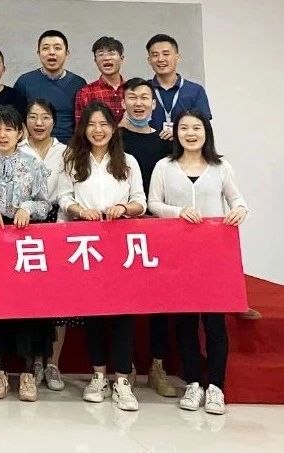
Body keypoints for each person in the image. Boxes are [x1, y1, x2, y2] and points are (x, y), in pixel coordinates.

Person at [148, 110, 248, 416]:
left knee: (215, 324)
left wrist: (240, 210)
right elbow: (153, 203)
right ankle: (193, 382)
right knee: (186, 322)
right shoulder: (164, 166)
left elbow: (238, 200)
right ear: (176, 133)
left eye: (196, 128)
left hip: (213, 256)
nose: (190, 134)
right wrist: (177, 212)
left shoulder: (221, 167)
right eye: (184, 128)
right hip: (178, 255)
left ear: (206, 132)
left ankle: (216, 386)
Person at [55, 101, 146, 412]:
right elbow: (63, 197)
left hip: (120, 248)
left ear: (113, 128)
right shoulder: (72, 160)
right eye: (92, 124)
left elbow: (140, 202)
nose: (98, 130)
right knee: (93, 313)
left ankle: (122, 381)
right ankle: (97, 376)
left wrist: (124, 208)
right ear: (83, 128)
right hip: (87, 246)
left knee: (122, 314)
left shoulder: (128, 162)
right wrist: (79, 210)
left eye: (104, 124)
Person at [0, 105, 53, 402]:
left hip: (24, 244)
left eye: (9, 129)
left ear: (20, 133)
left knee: (26, 309)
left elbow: (45, 203)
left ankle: (28, 374)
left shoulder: (33, 164)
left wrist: (27, 208)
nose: (2, 134)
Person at [119, 77, 178, 398]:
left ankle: (157, 366)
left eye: (145, 98)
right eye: (133, 97)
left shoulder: (165, 142)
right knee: (125, 300)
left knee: (160, 300)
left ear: (154, 104)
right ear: (123, 103)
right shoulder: (112, 138)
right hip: (121, 231)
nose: (139, 103)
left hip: (157, 230)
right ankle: (125, 366)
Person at [19, 98, 71, 390]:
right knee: (31, 299)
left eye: (45, 117)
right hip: (24, 226)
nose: (39, 123)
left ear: (54, 121)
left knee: (59, 300)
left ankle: (53, 364)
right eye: (33, 117)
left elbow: (68, 193)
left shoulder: (66, 153)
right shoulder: (17, 149)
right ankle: (34, 361)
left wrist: (62, 229)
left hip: (57, 225)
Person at [13, 30, 87, 143]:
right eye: (45, 48)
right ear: (38, 53)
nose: (51, 52)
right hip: (33, 148)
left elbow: (84, 121)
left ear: (67, 53)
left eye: (57, 48)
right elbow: (16, 118)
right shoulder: (24, 82)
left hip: (70, 148)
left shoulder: (78, 83)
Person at [146, 34, 212, 140]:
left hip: (185, 148)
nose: (160, 59)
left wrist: (179, 133)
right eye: (155, 55)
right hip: (150, 147)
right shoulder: (143, 90)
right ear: (149, 60)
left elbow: (203, 127)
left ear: (177, 57)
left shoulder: (195, 91)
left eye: (166, 54)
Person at [74, 35, 126, 123]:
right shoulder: (85, 93)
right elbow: (81, 128)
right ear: (95, 61)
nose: (106, 58)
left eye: (111, 53)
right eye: (101, 54)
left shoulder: (132, 90)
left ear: (121, 59)